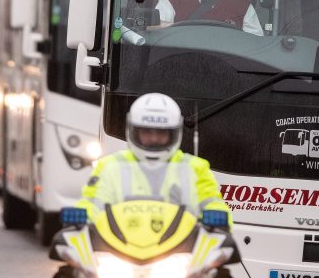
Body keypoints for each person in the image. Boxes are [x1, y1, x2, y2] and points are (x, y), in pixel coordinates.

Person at [76, 92, 232, 225]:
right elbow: (92, 204)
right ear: (134, 131)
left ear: (173, 133)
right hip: (119, 248)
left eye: (161, 133)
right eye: (147, 132)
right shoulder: (110, 166)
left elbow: (212, 204)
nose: (154, 138)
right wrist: (80, 221)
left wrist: (218, 221)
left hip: (179, 252)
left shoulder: (195, 169)